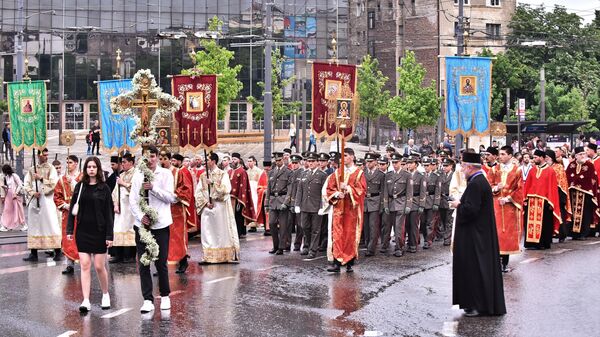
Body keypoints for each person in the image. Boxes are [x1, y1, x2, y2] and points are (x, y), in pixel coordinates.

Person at [450, 151, 506, 317]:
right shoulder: (480, 180)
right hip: (479, 234)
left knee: (475, 269)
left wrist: (458, 205)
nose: (461, 169)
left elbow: (471, 210)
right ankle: (478, 303)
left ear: (469, 167)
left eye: (462, 165)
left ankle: (476, 304)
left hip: (475, 237)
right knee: (480, 269)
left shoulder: (476, 183)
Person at [129, 145, 176, 313]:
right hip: (142, 225)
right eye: (146, 157)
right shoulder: (137, 175)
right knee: (143, 263)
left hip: (161, 224)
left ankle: (164, 295)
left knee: (161, 262)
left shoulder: (166, 174)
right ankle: (147, 299)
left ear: (157, 157)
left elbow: (171, 197)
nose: (150, 160)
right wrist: (141, 216)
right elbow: (133, 200)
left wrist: (154, 188)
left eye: (153, 156)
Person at [66, 156, 114, 312]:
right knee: (85, 265)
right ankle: (85, 300)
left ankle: (105, 294)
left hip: (100, 231)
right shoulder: (80, 187)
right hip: (83, 231)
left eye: (94, 167)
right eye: (89, 167)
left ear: (98, 169)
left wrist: (109, 236)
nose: (91, 169)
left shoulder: (104, 188)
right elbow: (72, 209)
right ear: (85, 169)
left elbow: (109, 213)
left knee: (99, 266)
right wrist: (69, 231)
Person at [325, 148, 366, 272]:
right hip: (339, 208)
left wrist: (348, 189)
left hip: (351, 210)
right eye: (342, 156)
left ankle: (349, 261)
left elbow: (362, 190)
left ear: (352, 157)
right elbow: (329, 188)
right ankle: (337, 262)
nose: (344, 158)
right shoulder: (337, 173)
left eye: (346, 155)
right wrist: (337, 194)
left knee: (349, 235)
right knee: (337, 235)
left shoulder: (358, 173)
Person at [195, 152, 240, 264]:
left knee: (220, 233)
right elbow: (198, 192)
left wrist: (213, 184)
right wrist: (205, 203)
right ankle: (208, 257)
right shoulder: (202, 176)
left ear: (213, 161)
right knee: (207, 232)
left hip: (219, 207)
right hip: (207, 207)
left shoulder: (222, 174)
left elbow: (226, 189)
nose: (205, 163)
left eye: (207, 160)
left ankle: (223, 256)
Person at [486, 146, 523, 272]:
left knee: (505, 234)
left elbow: (520, 189)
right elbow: (487, 185)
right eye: (499, 154)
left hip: (509, 206)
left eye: (503, 154)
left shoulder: (517, 170)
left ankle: (504, 263)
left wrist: (508, 199)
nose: (500, 156)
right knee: (495, 233)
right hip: (495, 205)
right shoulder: (494, 169)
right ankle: (494, 261)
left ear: (510, 155)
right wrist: (496, 188)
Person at [23, 148, 62, 262]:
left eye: (47, 155)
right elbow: (26, 184)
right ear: (38, 156)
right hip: (35, 200)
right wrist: (32, 193)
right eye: (44, 155)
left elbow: (54, 183)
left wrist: (41, 179)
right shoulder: (32, 170)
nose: (46, 157)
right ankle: (33, 253)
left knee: (51, 224)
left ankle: (58, 251)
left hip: (47, 200)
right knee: (34, 226)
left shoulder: (51, 168)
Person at [160, 152, 194, 274]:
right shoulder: (159, 173)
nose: (162, 161)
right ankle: (162, 265)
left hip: (176, 208)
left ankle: (183, 261)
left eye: (165, 159)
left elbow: (186, 188)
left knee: (178, 237)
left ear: (170, 160)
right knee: (162, 237)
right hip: (162, 208)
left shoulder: (178, 172)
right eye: (160, 159)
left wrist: (175, 195)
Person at [523, 149, 561, 250]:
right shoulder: (532, 170)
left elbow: (552, 187)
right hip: (531, 200)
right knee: (530, 222)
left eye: (536, 157)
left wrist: (551, 202)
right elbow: (527, 185)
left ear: (542, 158)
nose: (534, 159)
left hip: (544, 201)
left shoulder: (550, 170)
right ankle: (531, 243)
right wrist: (525, 199)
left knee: (545, 223)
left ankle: (543, 243)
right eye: (533, 157)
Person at [294, 152, 328, 258]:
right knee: (304, 226)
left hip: (316, 206)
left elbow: (324, 193)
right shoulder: (304, 174)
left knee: (315, 229)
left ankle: (312, 249)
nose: (311, 163)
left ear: (317, 162)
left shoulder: (323, 175)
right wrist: (297, 204)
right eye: (309, 161)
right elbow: (300, 190)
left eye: (313, 161)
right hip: (305, 205)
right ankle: (306, 245)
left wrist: (323, 207)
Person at [54, 155, 82, 275]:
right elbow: (57, 196)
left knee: (81, 238)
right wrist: (65, 205)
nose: (68, 165)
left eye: (70, 162)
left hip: (82, 213)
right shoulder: (62, 179)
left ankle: (85, 262)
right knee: (68, 237)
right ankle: (69, 264)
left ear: (76, 163)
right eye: (67, 162)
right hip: (67, 213)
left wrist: (75, 183)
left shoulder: (83, 177)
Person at [381, 153, 413, 256]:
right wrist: (385, 205)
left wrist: (408, 205)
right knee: (387, 226)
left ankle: (399, 247)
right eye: (393, 162)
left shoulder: (407, 175)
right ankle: (385, 245)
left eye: (396, 162)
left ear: (400, 162)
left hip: (401, 203)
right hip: (390, 203)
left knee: (398, 228)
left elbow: (409, 191)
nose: (394, 164)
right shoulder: (388, 175)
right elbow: (385, 191)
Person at [566, 147, 599, 240]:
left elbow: (593, 179)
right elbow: (567, 177)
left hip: (586, 195)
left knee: (585, 214)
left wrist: (587, 188)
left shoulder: (590, 165)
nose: (583, 156)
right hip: (573, 194)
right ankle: (574, 233)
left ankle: (584, 233)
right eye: (580, 154)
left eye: (584, 154)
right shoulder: (571, 165)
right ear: (576, 156)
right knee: (573, 213)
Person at [111, 153, 136, 264]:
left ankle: (130, 255)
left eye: (124, 162)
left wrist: (124, 184)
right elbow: (116, 191)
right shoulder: (121, 174)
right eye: (122, 162)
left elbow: (137, 189)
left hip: (130, 208)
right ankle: (118, 255)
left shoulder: (136, 174)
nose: (122, 164)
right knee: (118, 229)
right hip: (121, 207)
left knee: (129, 229)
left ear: (131, 163)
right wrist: (115, 204)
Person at [265, 152, 293, 255]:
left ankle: (281, 247)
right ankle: (275, 245)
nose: (278, 162)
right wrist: (266, 203)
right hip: (273, 200)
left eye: (279, 160)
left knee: (283, 225)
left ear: (283, 160)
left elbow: (290, 189)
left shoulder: (288, 172)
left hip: (282, 199)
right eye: (276, 161)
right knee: (272, 223)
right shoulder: (271, 172)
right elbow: (268, 188)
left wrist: (286, 202)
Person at [546, 150, 572, 242]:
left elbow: (562, 182)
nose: (546, 160)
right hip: (547, 195)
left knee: (560, 214)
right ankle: (550, 234)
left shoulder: (559, 167)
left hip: (559, 194)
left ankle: (562, 234)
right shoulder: (544, 168)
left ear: (552, 158)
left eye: (548, 158)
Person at [363, 152, 384, 256]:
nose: (368, 164)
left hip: (375, 201)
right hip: (364, 202)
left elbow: (383, 191)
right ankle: (367, 244)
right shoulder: (362, 173)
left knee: (373, 226)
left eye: (370, 161)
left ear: (376, 162)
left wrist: (382, 205)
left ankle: (371, 248)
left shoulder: (380, 175)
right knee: (365, 226)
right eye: (367, 161)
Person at [229, 153, 255, 238]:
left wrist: (241, 199)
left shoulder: (242, 171)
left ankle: (239, 232)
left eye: (235, 159)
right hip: (229, 197)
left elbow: (243, 186)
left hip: (238, 198)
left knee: (238, 216)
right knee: (231, 216)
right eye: (232, 159)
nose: (233, 161)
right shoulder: (229, 171)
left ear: (239, 160)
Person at [421, 158, 442, 249]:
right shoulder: (421, 175)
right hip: (422, 201)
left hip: (431, 200)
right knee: (422, 222)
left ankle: (428, 240)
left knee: (430, 223)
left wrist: (436, 203)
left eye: (427, 165)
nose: (426, 167)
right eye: (424, 165)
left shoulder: (436, 176)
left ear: (431, 165)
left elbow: (438, 190)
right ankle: (426, 237)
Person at [0, 164, 25, 231]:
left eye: (4, 171)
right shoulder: (7, 177)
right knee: (7, 209)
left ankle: (24, 224)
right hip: (9, 194)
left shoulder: (14, 176)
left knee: (18, 210)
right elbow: (9, 186)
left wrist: (15, 193)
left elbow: (20, 185)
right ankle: (5, 225)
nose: (3, 173)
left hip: (15, 195)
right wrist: (5, 187)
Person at [246, 156, 264, 233]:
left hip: (256, 191)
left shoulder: (259, 171)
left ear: (254, 162)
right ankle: (252, 225)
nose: (249, 163)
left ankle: (257, 223)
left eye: (250, 161)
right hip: (250, 191)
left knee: (256, 207)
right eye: (248, 161)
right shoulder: (247, 171)